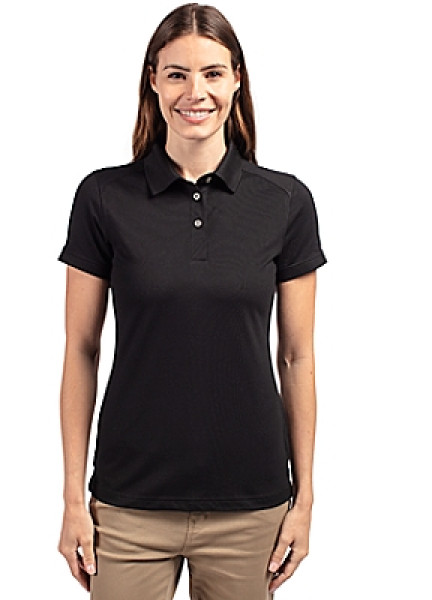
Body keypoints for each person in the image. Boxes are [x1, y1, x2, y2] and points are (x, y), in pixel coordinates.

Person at [57, 3, 327, 599]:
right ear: (153, 80)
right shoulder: (103, 197)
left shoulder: (285, 202)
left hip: (251, 507)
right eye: (177, 73)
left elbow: (297, 357)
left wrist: (304, 499)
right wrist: (74, 498)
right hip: (127, 505)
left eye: (212, 73)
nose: (194, 91)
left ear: (237, 80)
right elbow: (80, 350)